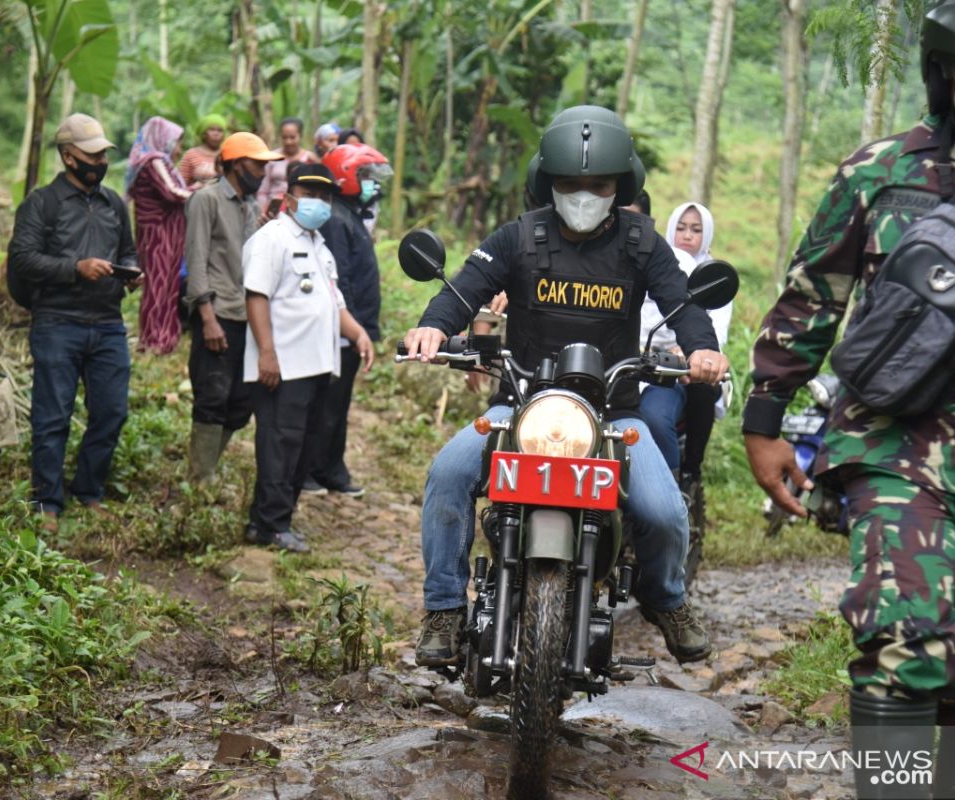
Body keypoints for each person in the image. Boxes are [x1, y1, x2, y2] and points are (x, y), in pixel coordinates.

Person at [743, 2, 955, 797]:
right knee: (904, 645)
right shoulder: (879, 171)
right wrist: (765, 423)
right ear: (944, 72)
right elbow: (809, 300)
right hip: (894, 453)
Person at [403, 106, 729, 668]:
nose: (583, 194)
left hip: (613, 416)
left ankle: (667, 599)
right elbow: (463, 290)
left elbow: (682, 305)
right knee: (449, 475)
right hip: (519, 406)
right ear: (547, 183)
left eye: (597, 184)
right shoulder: (518, 238)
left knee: (665, 510)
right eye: (570, 184)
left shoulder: (642, 243)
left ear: (618, 186)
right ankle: (442, 609)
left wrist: (701, 348)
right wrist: (434, 326)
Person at [7, 113, 140, 531]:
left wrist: (131, 272)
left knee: (111, 411)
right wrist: (74, 268)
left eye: (104, 154)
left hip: (107, 323)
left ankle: (88, 491)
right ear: (69, 157)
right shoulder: (41, 203)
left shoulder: (113, 203)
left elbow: (129, 250)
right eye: (93, 153)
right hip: (57, 322)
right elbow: (22, 259)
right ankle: (47, 502)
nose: (101, 160)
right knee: (52, 415)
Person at [242, 163, 374, 551]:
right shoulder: (273, 238)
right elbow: (256, 296)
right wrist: (267, 353)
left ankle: (275, 520)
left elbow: (334, 304)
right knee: (279, 446)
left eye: (324, 196)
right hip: (282, 366)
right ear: (289, 197)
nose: (318, 202)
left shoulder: (321, 246)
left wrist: (358, 333)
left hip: (318, 366)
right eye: (310, 194)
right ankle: (269, 524)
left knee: (301, 447)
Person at [638, 202, 731, 572]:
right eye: (682, 228)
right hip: (628, 365)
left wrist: (690, 349)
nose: (688, 235)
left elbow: (709, 333)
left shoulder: (705, 277)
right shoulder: (636, 263)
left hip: (676, 370)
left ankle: (675, 491)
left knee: (657, 416)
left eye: (696, 229)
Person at [184, 132, 280, 484]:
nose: (262, 172)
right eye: (258, 164)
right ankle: (200, 478)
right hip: (218, 313)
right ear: (238, 164)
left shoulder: (250, 206)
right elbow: (196, 262)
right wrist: (207, 318)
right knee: (212, 396)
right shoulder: (205, 201)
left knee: (240, 403)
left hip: (245, 315)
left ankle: (206, 469)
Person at [307, 144, 391, 497]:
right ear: (346, 176)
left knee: (338, 406)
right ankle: (312, 470)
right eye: (365, 177)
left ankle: (332, 469)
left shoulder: (349, 215)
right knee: (326, 405)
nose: (372, 184)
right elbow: (338, 281)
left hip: (353, 330)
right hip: (341, 332)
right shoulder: (337, 219)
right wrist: (354, 329)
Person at [127, 116, 192, 355]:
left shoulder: (162, 162)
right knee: (157, 284)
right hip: (157, 234)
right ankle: (153, 339)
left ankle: (165, 336)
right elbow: (172, 193)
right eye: (176, 143)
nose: (178, 150)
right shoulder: (153, 161)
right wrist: (202, 193)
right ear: (163, 139)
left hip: (170, 233)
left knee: (169, 283)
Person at [256, 117, 315, 218]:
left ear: (300, 136)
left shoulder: (309, 159)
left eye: (292, 137)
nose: (288, 142)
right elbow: (263, 190)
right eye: (284, 137)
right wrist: (263, 212)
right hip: (273, 211)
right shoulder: (272, 157)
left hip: (301, 211)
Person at [178, 113, 227, 188]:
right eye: (212, 129)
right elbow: (181, 183)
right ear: (203, 133)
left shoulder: (228, 154)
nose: (216, 133)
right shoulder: (191, 154)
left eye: (220, 130)